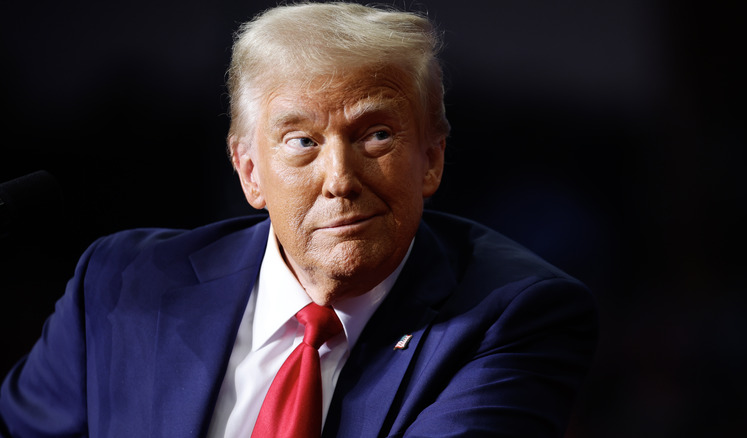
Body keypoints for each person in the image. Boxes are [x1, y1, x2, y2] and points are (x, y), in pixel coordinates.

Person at [0, 2, 597, 437]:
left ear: (431, 160)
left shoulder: (515, 315)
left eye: (377, 135)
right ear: (250, 171)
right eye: (302, 140)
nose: (339, 177)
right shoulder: (119, 284)